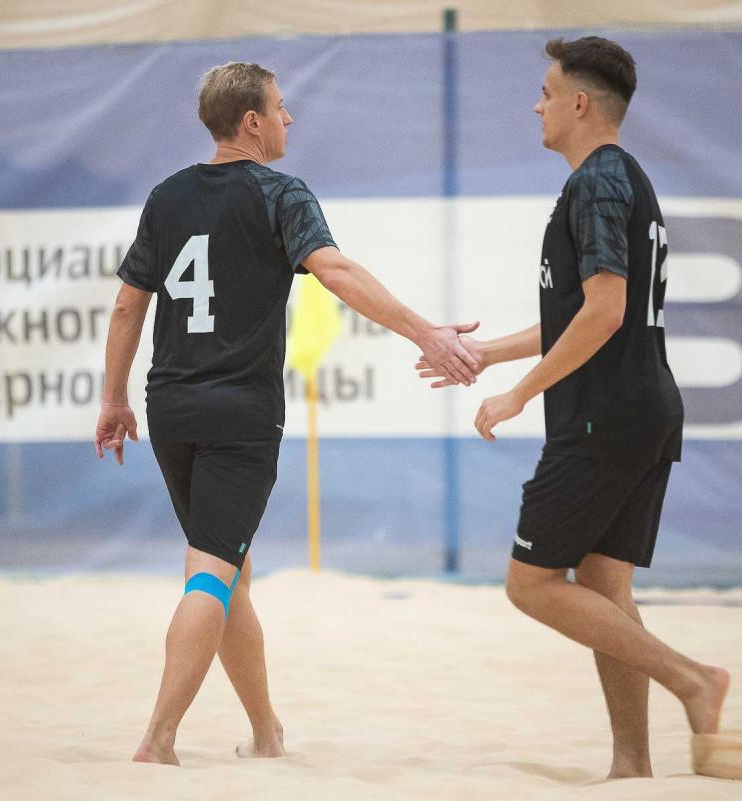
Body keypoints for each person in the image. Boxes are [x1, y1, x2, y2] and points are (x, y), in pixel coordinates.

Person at [94, 61, 479, 766]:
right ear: (252, 122)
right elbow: (338, 271)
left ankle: (266, 731)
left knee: (228, 568)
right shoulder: (281, 193)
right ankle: (158, 738)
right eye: (280, 107)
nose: (288, 118)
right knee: (210, 573)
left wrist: (113, 397)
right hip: (240, 414)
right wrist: (425, 332)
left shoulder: (166, 196)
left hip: (170, 407)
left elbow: (127, 305)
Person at [418, 36, 729, 779]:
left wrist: (520, 393)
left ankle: (694, 680)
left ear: (580, 103)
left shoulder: (597, 182)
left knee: (530, 584)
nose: (537, 106)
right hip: (644, 408)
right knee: (606, 589)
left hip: (604, 415)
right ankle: (632, 764)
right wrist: (490, 354)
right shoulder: (627, 178)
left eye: (547, 93)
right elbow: (582, 313)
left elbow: (606, 312)